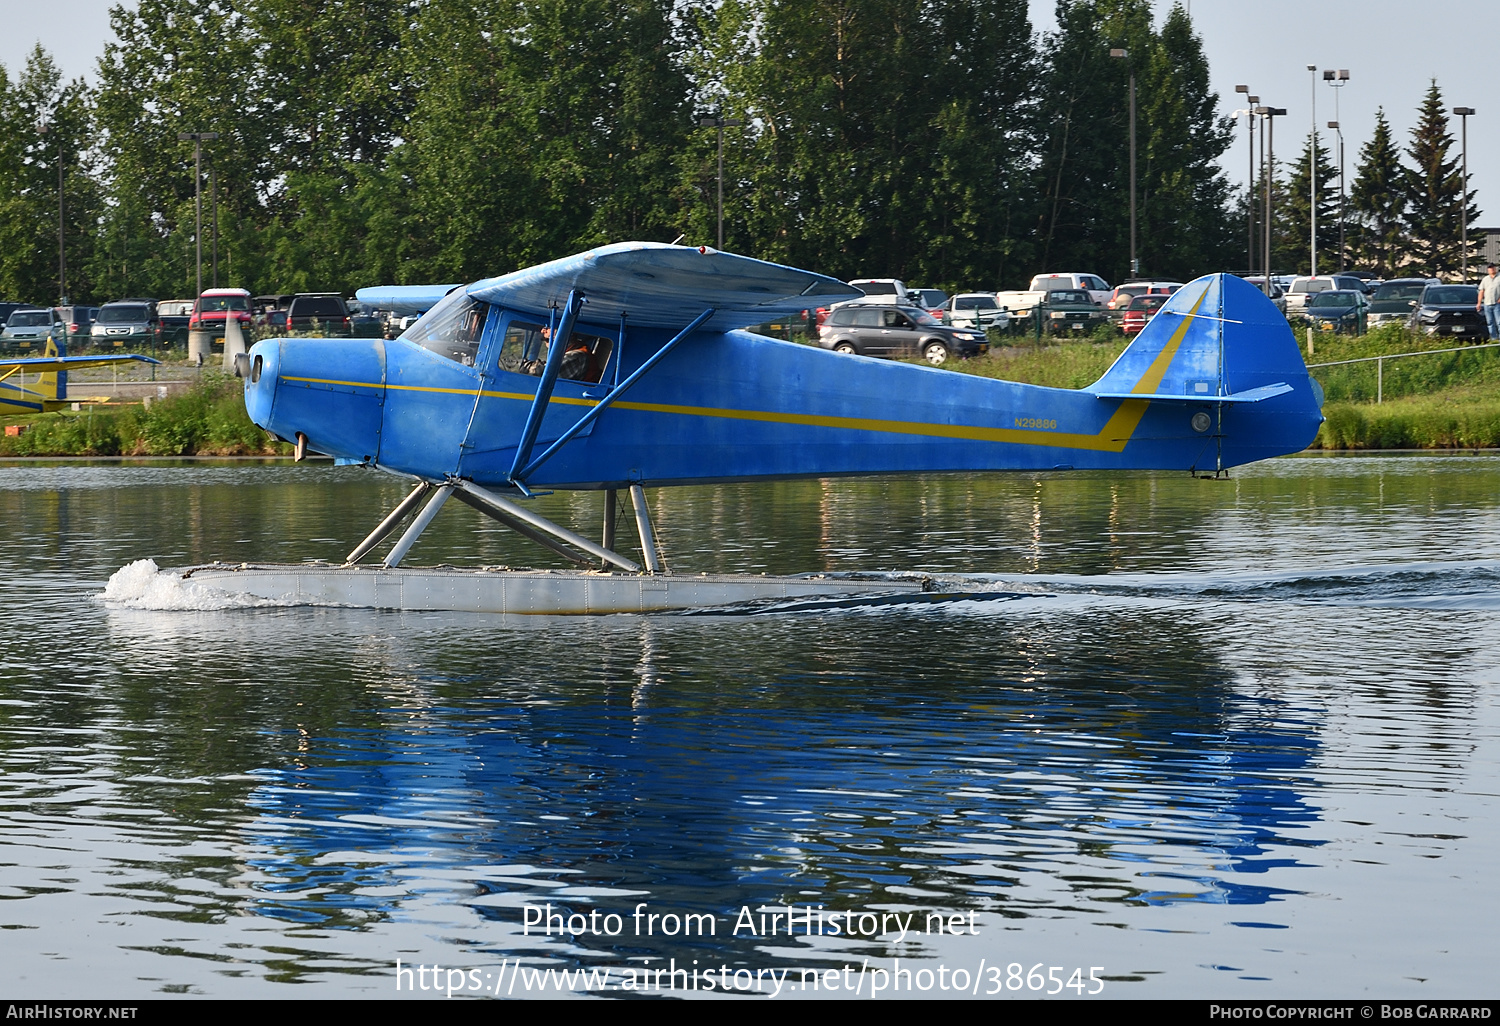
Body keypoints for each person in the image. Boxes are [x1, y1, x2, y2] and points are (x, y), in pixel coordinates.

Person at [1479, 264, 1500, 340]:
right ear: (1488, 270)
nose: (1491, 269)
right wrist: (1479, 303)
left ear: (1495, 268)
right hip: (1487, 304)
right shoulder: (1485, 279)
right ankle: (1494, 338)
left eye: (1492, 268)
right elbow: (1481, 291)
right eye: (1490, 268)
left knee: (1499, 322)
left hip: (1497, 304)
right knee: (1490, 322)